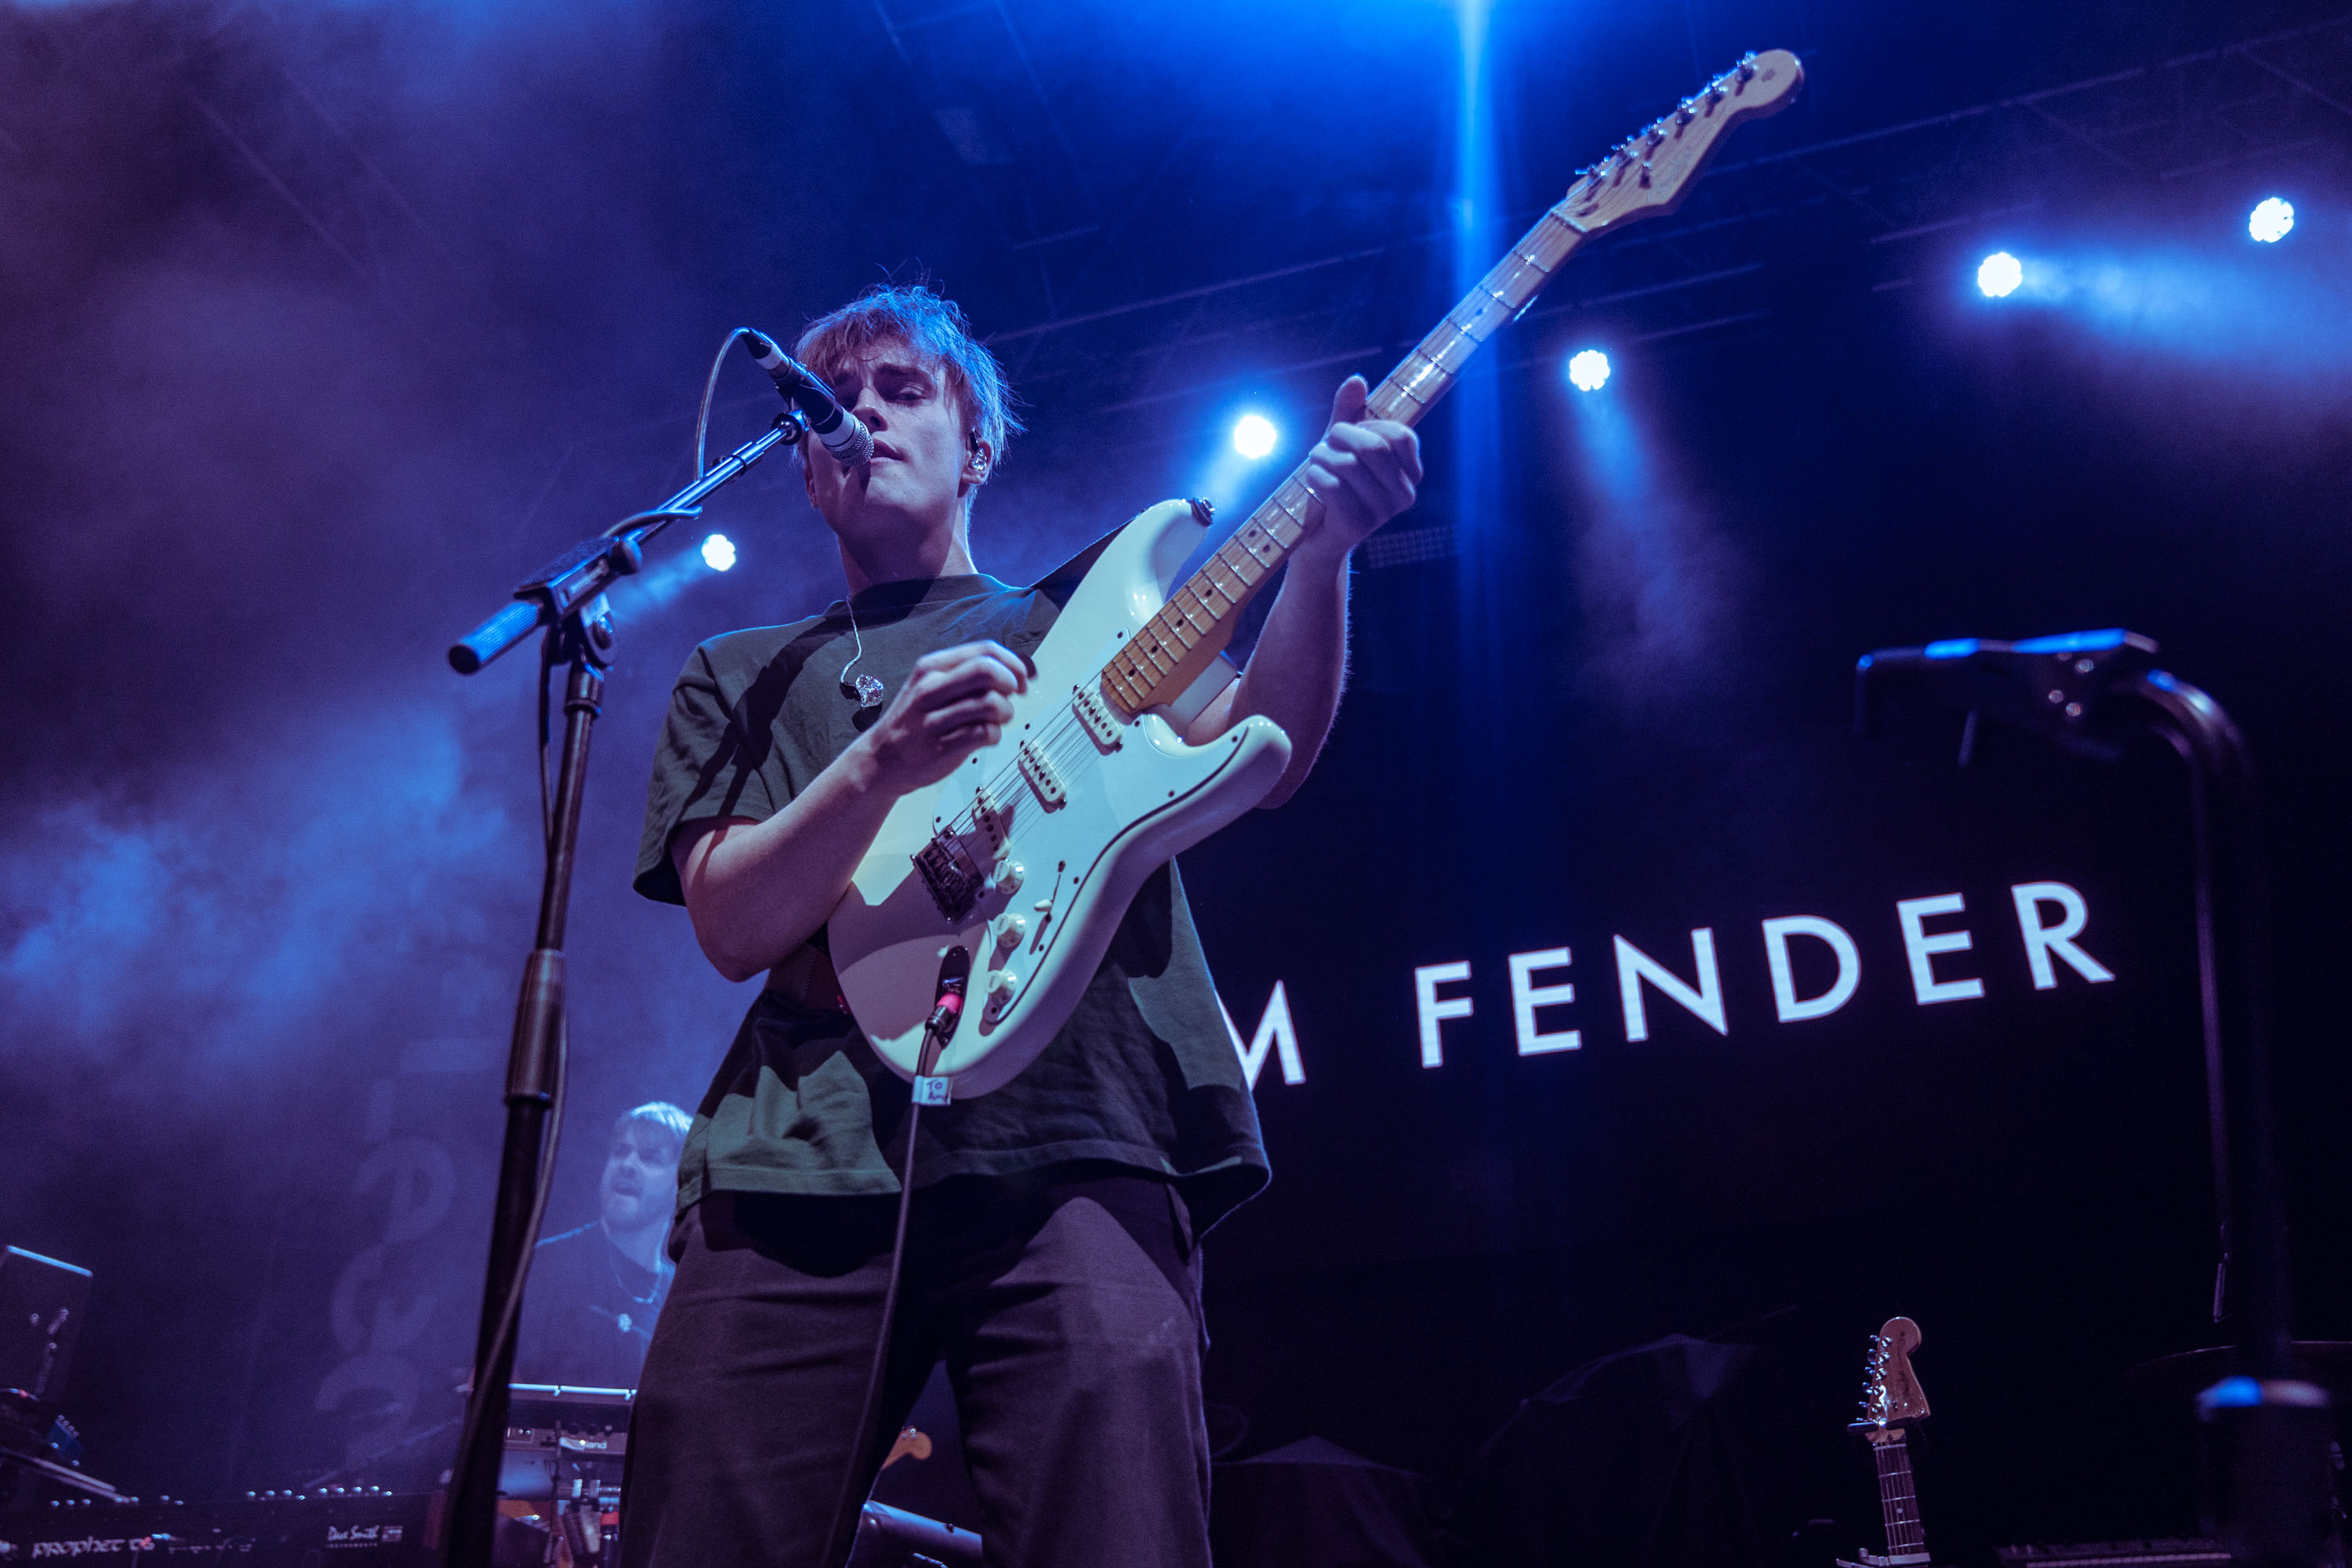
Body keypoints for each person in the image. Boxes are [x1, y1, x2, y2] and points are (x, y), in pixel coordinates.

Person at [620, 284, 1423, 1568]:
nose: (864, 417)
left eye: (903, 390)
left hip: (1082, 1140)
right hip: (796, 1168)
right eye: (840, 399)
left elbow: (1262, 756)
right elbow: (734, 921)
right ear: (805, 474)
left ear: (977, 441)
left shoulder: (1080, 624)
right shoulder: (745, 669)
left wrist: (1322, 556)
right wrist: (880, 762)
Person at [517, 1102, 691, 1390]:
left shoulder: (680, 1292)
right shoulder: (546, 1263)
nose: (628, 1165)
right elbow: (496, 1380)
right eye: (620, 1152)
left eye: (649, 1158)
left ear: (680, 1187)